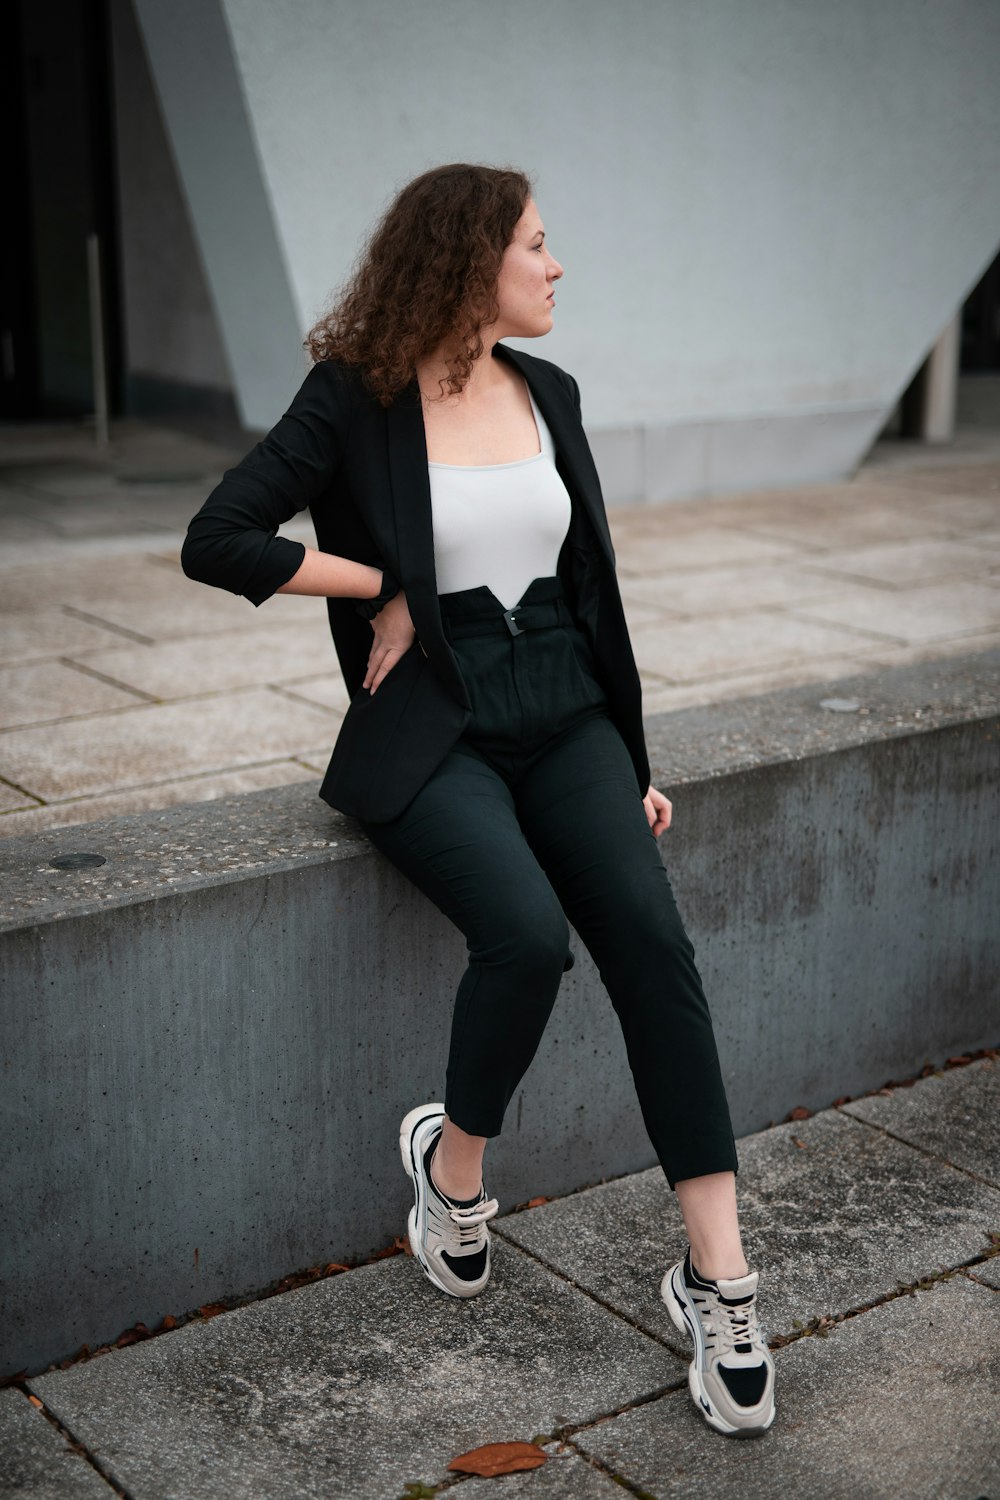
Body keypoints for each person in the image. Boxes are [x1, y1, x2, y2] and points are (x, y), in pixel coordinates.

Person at [181, 162, 776, 1438]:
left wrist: (631, 755)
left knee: (655, 946)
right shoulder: (355, 398)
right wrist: (379, 581)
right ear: (467, 262)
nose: (557, 267)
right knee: (523, 935)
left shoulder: (547, 389)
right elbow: (218, 536)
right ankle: (454, 1178)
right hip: (435, 725)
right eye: (538, 245)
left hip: (564, 714)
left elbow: (592, 593)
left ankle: (717, 1277)